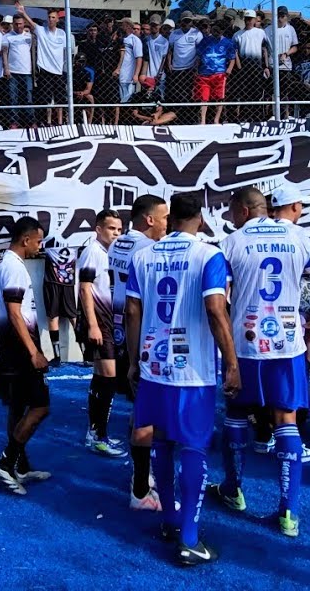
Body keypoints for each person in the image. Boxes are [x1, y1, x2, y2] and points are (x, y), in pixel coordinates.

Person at [124, 194, 240, 565]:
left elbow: (131, 311)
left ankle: (170, 520)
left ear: (171, 218)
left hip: (153, 365)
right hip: (193, 370)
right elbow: (215, 309)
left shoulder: (143, 255)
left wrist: (133, 361)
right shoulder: (209, 255)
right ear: (200, 219)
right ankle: (189, 539)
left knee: (160, 440)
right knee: (193, 447)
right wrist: (232, 362)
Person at [209, 187, 309, 537]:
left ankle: (233, 490)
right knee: (286, 418)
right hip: (288, 343)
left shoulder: (231, 243)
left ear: (243, 210)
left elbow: (218, 299)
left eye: (231, 212)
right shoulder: (300, 237)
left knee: (236, 412)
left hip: (245, 344)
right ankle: (288, 512)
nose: (230, 218)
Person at [108, 193, 170, 512]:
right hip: (141, 337)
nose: (167, 223)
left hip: (119, 331)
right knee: (146, 414)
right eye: (164, 217)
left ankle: (141, 475)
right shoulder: (148, 250)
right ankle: (141, 484)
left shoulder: (117, 244)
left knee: (138, 408)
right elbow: (138, 306)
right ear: (149, 219)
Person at [0, 216, 52, 495]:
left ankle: (20, 467)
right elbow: (15, 313)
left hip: (8, 349)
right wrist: (34, 352)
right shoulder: (14, 268)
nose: (40, 246)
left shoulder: (3, 264)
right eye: (38, 241)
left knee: (17, 407)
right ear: (26, 240)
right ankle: (6, 463)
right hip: (19, 352)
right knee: (40, 407)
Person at [78, 210, 128, 457]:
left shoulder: (109, 253)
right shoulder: (93, 252)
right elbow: (84, 288)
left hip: (107, 322)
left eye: (119, 229)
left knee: (102, 377)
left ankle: (95, 433)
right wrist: (93, 325)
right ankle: (99, 436)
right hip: (98, 323)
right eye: (111, 228)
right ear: (98, 229)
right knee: (108, 377)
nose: (116, 233)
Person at [42, 240, 80, 368]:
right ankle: (84, 353)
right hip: (63, 281)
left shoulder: (49, 234)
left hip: (56, 281)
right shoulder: (76, 235)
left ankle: (59, 356)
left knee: (65, 317)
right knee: (67, 317)